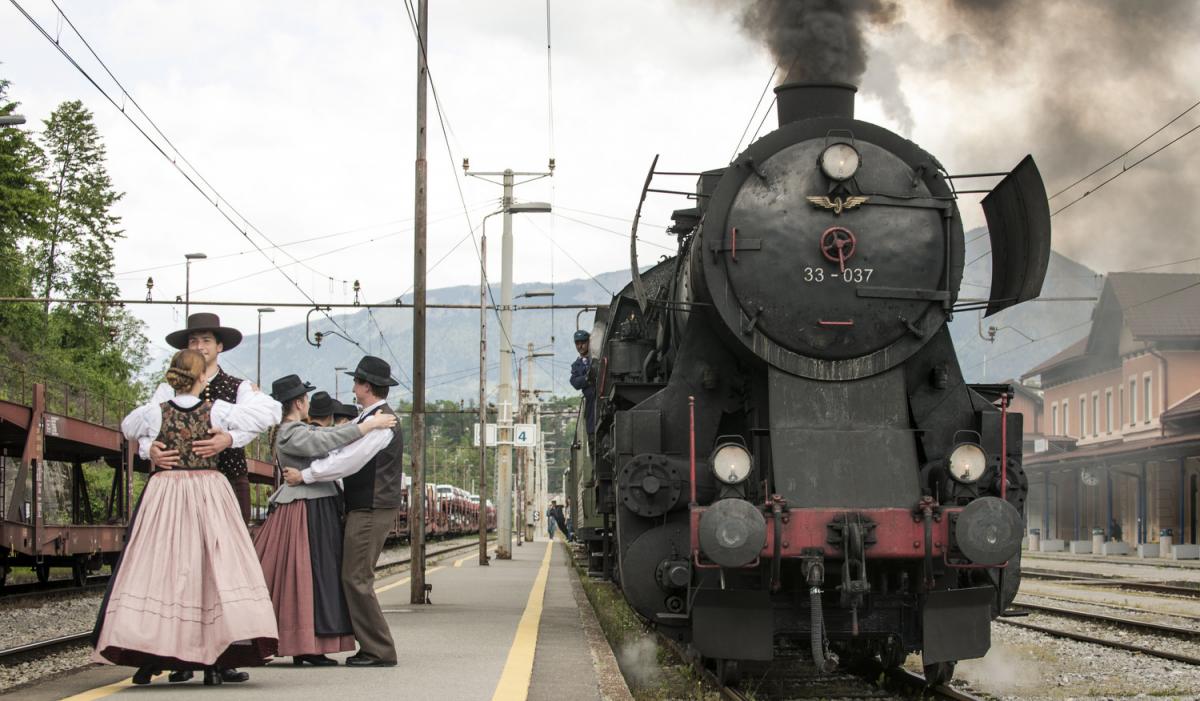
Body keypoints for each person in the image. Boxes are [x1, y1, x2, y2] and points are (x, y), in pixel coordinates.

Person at [95, 350, 280, 686]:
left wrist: (149, 445)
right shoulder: (218, 410)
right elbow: (268, 416)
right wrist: (229, 438)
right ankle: (213, 662)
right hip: (208, 491)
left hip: (166, 493)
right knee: (212, 569)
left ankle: (155, 654)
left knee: (161, 570)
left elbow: (126, 427)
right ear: (202, 379)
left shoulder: (155, 411)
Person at [254, 375, 397, 667]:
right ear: (298, 402)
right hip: (305, 507)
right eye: (305, 398)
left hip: (316, 505)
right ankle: (305, 644)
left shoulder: (295, 429)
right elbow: (326, 440)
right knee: (304, 576)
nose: (308, 402)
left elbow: (330, 443)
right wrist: (366, 425)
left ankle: (311, 644)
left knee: (314, 576)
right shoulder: (291, 431)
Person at [150, 312, 273, 524]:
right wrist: (149, 449)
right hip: (177, 487)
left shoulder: (239, 387)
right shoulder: (167, 390)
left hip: (229, 476)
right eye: (193, 341)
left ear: (219, 346)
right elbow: (146, 428)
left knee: (227, 552)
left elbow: (260, 421)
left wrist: (230, 439)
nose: (199, 347)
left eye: (206, 340)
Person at [570, 329, 597, 440]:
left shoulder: (596, 358)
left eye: (583, 343)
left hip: (600, 395)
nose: (580, 346)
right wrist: (587, 378)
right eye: (577, 343)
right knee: (591, 432)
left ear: (588, 343)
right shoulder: (576, 365)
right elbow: (575, 382)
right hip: (590, 401)